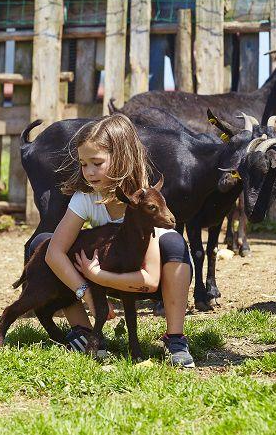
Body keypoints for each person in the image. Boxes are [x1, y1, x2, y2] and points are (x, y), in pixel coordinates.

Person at [27, 114, 195, 368]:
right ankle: (83, 330)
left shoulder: (144, 200)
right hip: (108, 268)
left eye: (97, 163)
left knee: (175, 245)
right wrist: (86, 293)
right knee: (42, 241)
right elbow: (54, 253)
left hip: (146, 278)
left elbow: (149, 282)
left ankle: (175, 338)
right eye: (83, 164)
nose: (89, 172)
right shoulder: (86, 197)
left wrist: (98, 277)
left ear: (121, 158)